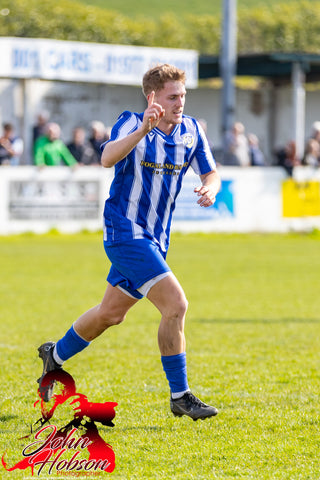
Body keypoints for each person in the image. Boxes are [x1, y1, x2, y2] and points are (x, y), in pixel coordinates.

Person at [37, 64, 221, 421]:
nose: (180, 103)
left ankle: (54, 356)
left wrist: (210, 190)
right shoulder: (130, 122)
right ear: (152, 97)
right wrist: (142, 130)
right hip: (124, 232)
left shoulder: (192, 131)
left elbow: (211, 173)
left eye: (182, 95)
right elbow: (106, 158)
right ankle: (180, 396)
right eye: (172, 97)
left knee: (110, 314)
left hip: (154, 240)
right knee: (176, 304)